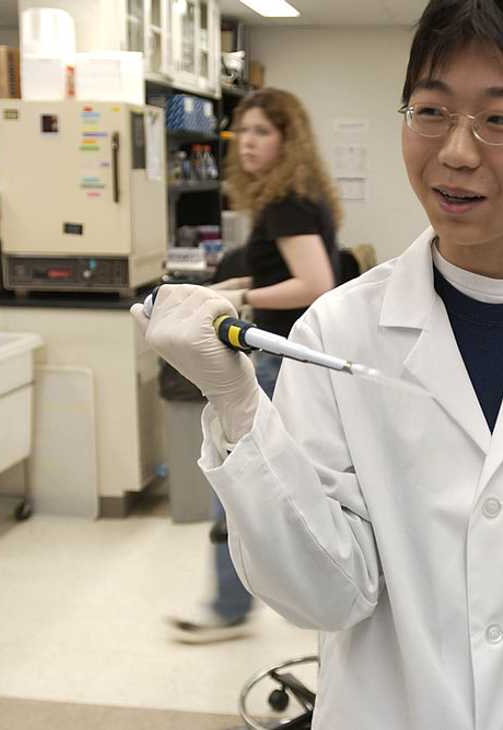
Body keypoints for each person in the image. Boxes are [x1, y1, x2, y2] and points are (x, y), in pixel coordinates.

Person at [133, 0, 503, 726]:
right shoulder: (340, 331)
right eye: (431, 111)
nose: (455, 151)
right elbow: (320, 595)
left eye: (500, 120)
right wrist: (240, 411)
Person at [165, 88, 341, 644]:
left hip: (275, 361)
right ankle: (242, 600)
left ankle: (229, 606)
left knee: (239, 483)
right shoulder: (291, 199)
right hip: (285, 356)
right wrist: (227, 288)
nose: (247, 142)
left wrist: (240, 303)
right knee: (266, 483)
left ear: (288, 140)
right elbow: (279, 276)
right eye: (242, 131)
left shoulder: (287, 205)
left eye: (262, 131)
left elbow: (316, 284)